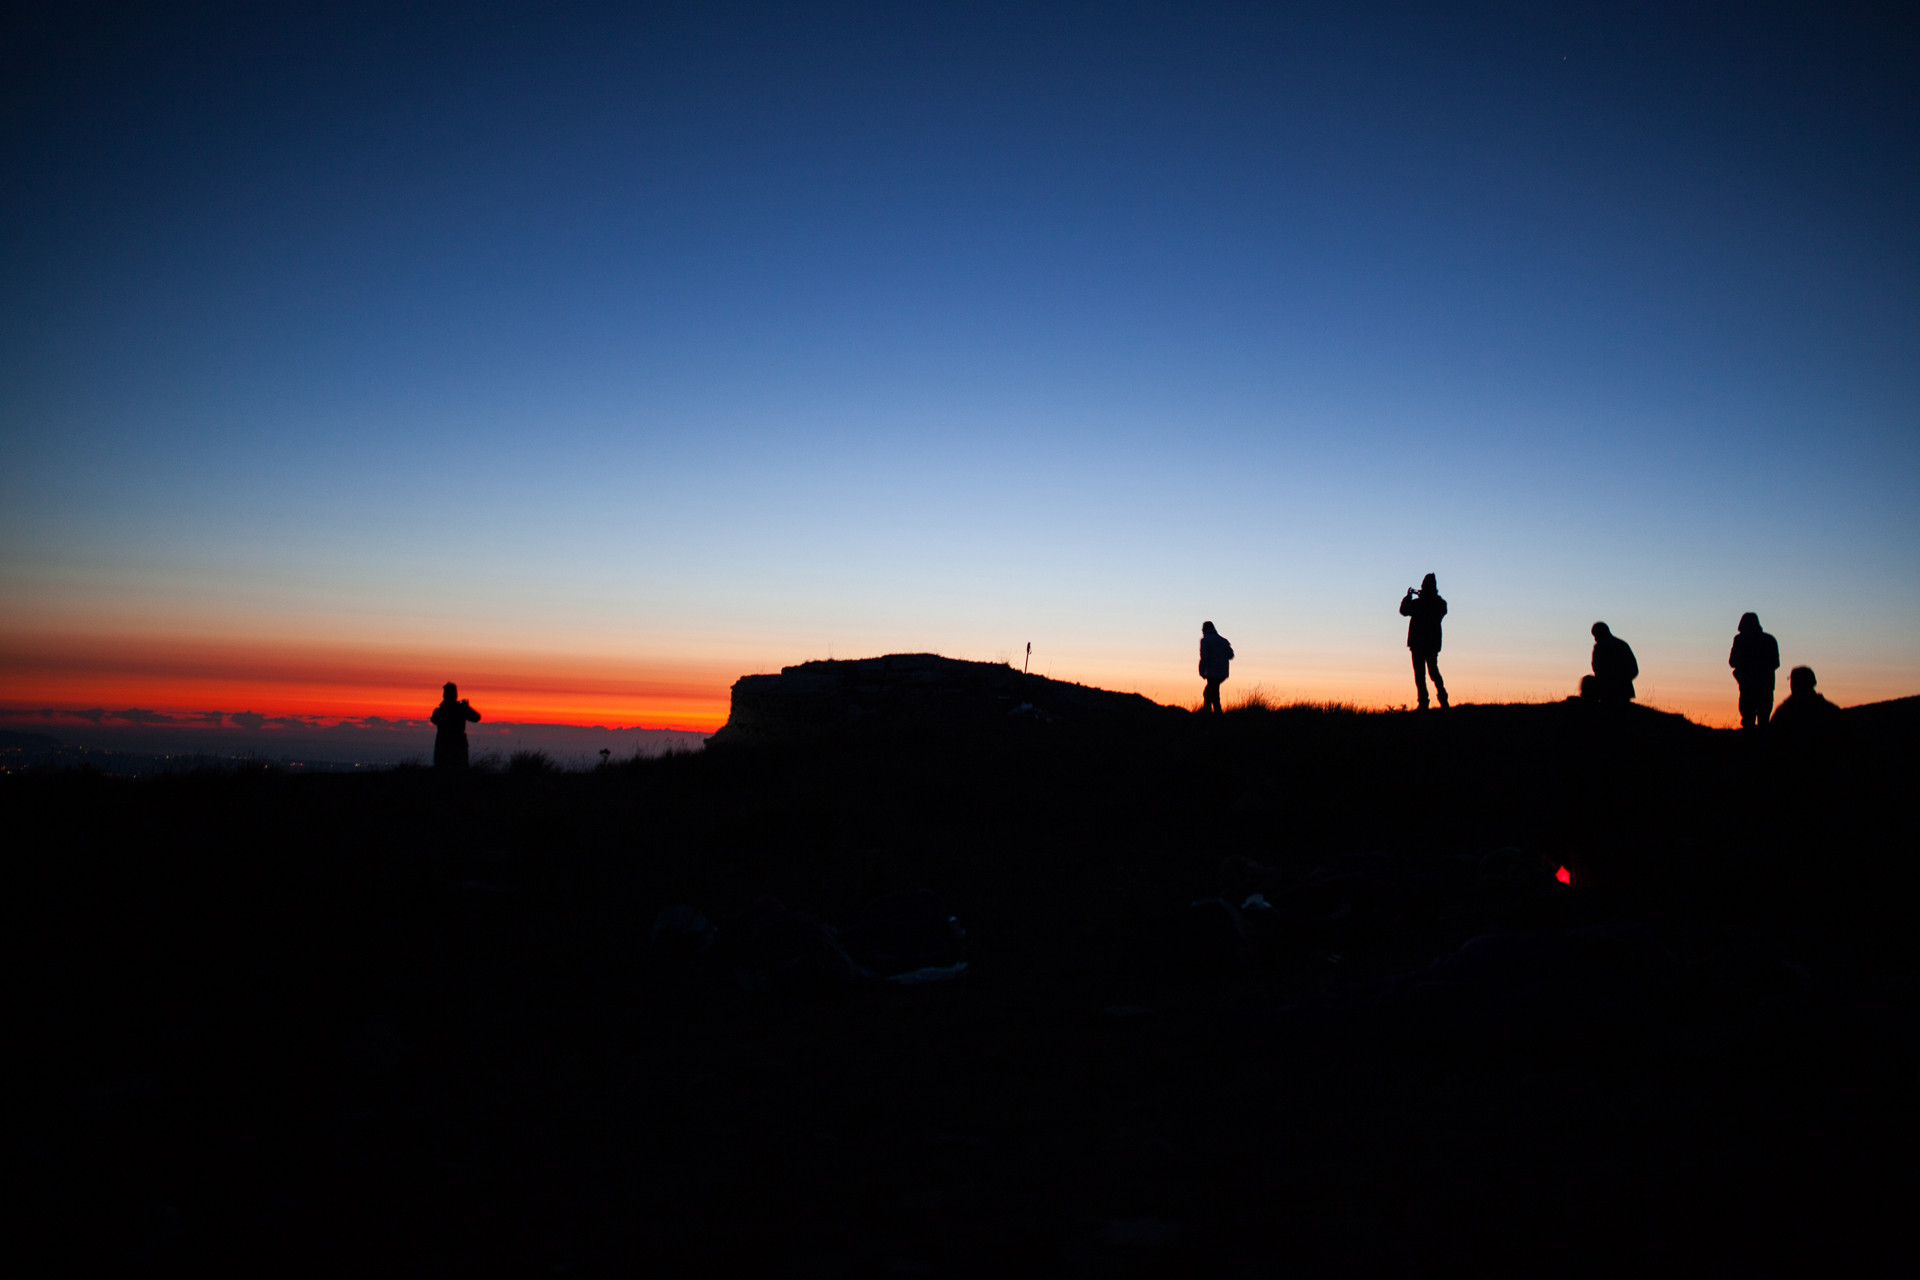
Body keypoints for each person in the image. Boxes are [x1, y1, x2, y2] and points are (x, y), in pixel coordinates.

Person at [1399, 573, 1449, 710]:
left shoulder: (1425, 604)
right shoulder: (1438, 603)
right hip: (1428, 643)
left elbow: (1404, 610)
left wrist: (1408, 598)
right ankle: (1438, 700)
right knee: (1428, 673)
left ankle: (1427, 702)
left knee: (1424, 674)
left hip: (1421, 643)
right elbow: (1404, 611)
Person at [1728, 612, 1780, 731]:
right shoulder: (1770, 639)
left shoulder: (1740, 639)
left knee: (1748, 722)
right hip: (1766, 686)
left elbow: (1732, 662)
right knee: (1764, 722)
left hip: (1748, 686)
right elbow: (1776, 663)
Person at [1581, 622, 1638, 704]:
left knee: (1587, 681)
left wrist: (1611, 681)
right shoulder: (1623, 644)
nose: (1595, 639)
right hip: (1624, 690)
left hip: (1609, 689)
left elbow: (1597, 668)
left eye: (1595, 635)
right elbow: (1634, 669)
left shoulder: (1600, 647)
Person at [431, 682, 481, 769]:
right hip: (456, 744)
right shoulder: (459, 708)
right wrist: (466, 707)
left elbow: (434, 720)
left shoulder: (441, 710)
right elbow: (476, 717)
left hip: (445, 744)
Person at [1198, 621, 1234, 714]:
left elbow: (1204, 657)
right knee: (1212, 693)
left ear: (1204, 630)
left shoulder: (1205, 641)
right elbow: (1231, 655)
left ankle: (1210, 714)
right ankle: (1215, 714)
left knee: (1209, 693)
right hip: (1223, 673)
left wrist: (1201, 671)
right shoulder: (1223, 641)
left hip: (1211, 672)